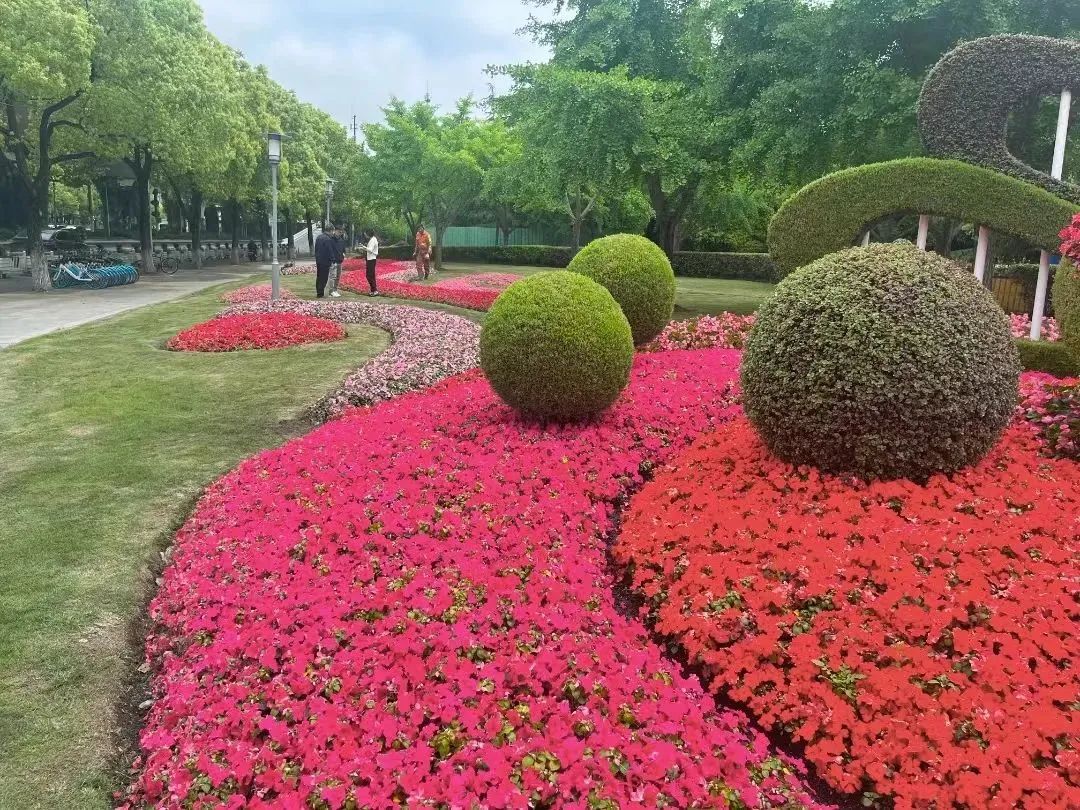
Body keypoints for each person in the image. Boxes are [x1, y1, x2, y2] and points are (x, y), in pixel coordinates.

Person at [314, 227, 337, 298]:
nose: (333, 233)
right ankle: (320, 293)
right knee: (324, 278)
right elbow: (329, 250)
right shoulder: (328, 239)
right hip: (325, 261)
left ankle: (319, 292)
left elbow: (316, 249)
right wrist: (333, 260)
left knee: (319, 276)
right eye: (333, 231)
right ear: (330, 231)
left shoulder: (319, 237)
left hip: (319, 260)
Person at [329, 227, 346, 297]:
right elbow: (329, 251)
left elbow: (343, 250)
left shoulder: (341, 240)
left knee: (338, 277)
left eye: (341, 232)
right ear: (335, 231)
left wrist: (343, 255)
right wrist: (332, 259)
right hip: (333, 261)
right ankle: (331, 291)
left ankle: (335, 290)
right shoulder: (331, 240)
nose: (340, 233)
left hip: (340, 261)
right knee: (333, 276)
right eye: (339, 231)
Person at [365, 230, 380, 296]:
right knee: (371, 275)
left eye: (365, 234)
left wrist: (364, 247)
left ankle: (374, 290)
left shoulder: (372, 240)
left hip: (371, 259)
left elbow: (370, 250)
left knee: (369, 275)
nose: (365, 236)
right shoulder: (373, 239)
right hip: (371, 259)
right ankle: (373, 290)